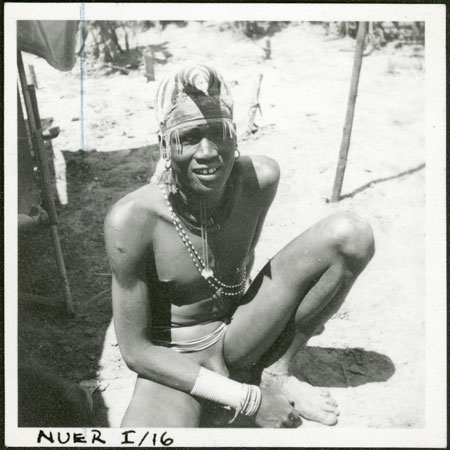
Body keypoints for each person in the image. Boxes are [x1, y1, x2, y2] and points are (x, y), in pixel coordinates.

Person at [104, 64, 375, 428]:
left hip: (239, 332)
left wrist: (258, 369)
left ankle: (276, 372)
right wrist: (248, 399)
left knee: (352, 233)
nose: (208, 152)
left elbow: (244, 267)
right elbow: (136, 352)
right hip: (176, 357)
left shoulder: (259, 180)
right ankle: (243, 385)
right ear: (164, 145)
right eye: (190, 136)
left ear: (236, 137)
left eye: (220, 133)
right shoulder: (132, 219)